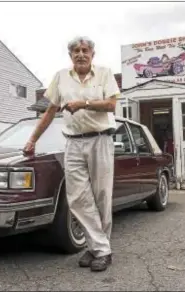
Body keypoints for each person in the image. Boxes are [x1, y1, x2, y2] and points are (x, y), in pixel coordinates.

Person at [23, 36, 120, 272]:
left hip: (101, 140)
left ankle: (97, 248)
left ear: (92, 54)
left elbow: (111, 105)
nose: (80, 54)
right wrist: (32, 139)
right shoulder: (60, 77)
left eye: (85, 50)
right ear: (70, 56)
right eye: (75, 50)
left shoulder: (105, 73)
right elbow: (49, 111)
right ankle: (101, 248)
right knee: (77, 198)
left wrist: (83, 103)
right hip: (74, 143)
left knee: (102, 197)